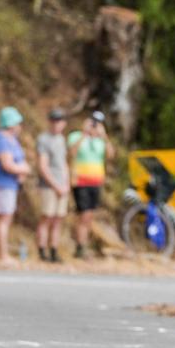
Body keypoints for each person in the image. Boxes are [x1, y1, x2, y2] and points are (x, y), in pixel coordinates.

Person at [67, 111, 115, 259]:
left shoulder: (100, 141)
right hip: (81, 181)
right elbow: (72, 153)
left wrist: (104, 137)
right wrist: (84, 134)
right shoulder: (76, 136)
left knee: (89, 216)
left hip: (96, 182)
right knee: (84, 214)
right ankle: (80, 246)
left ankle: (83, 245)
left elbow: (111, 155)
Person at [0, 106, 31, 267]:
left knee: (5, 220)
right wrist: (23, 169)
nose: (20, 126)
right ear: (11, 124)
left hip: (10, 185)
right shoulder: (2, 140)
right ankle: (3, 255)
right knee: (3, 220)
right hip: (2, 185)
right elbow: (7, 164)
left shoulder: (12, 140)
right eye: (17, 123)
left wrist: (23, 170)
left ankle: (3, 253)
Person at [36, 108, 70, 263]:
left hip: (62, 185)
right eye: (55, 120)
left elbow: (64, 164)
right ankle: (42, 251)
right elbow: (43, 166)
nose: (57, 124)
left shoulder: (62, 139)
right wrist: (56, 185)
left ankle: (54, 250)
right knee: (47, 218)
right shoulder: (44, 139)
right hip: (49, 185)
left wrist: (67, 183)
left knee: (58, 219)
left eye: (60, 121)